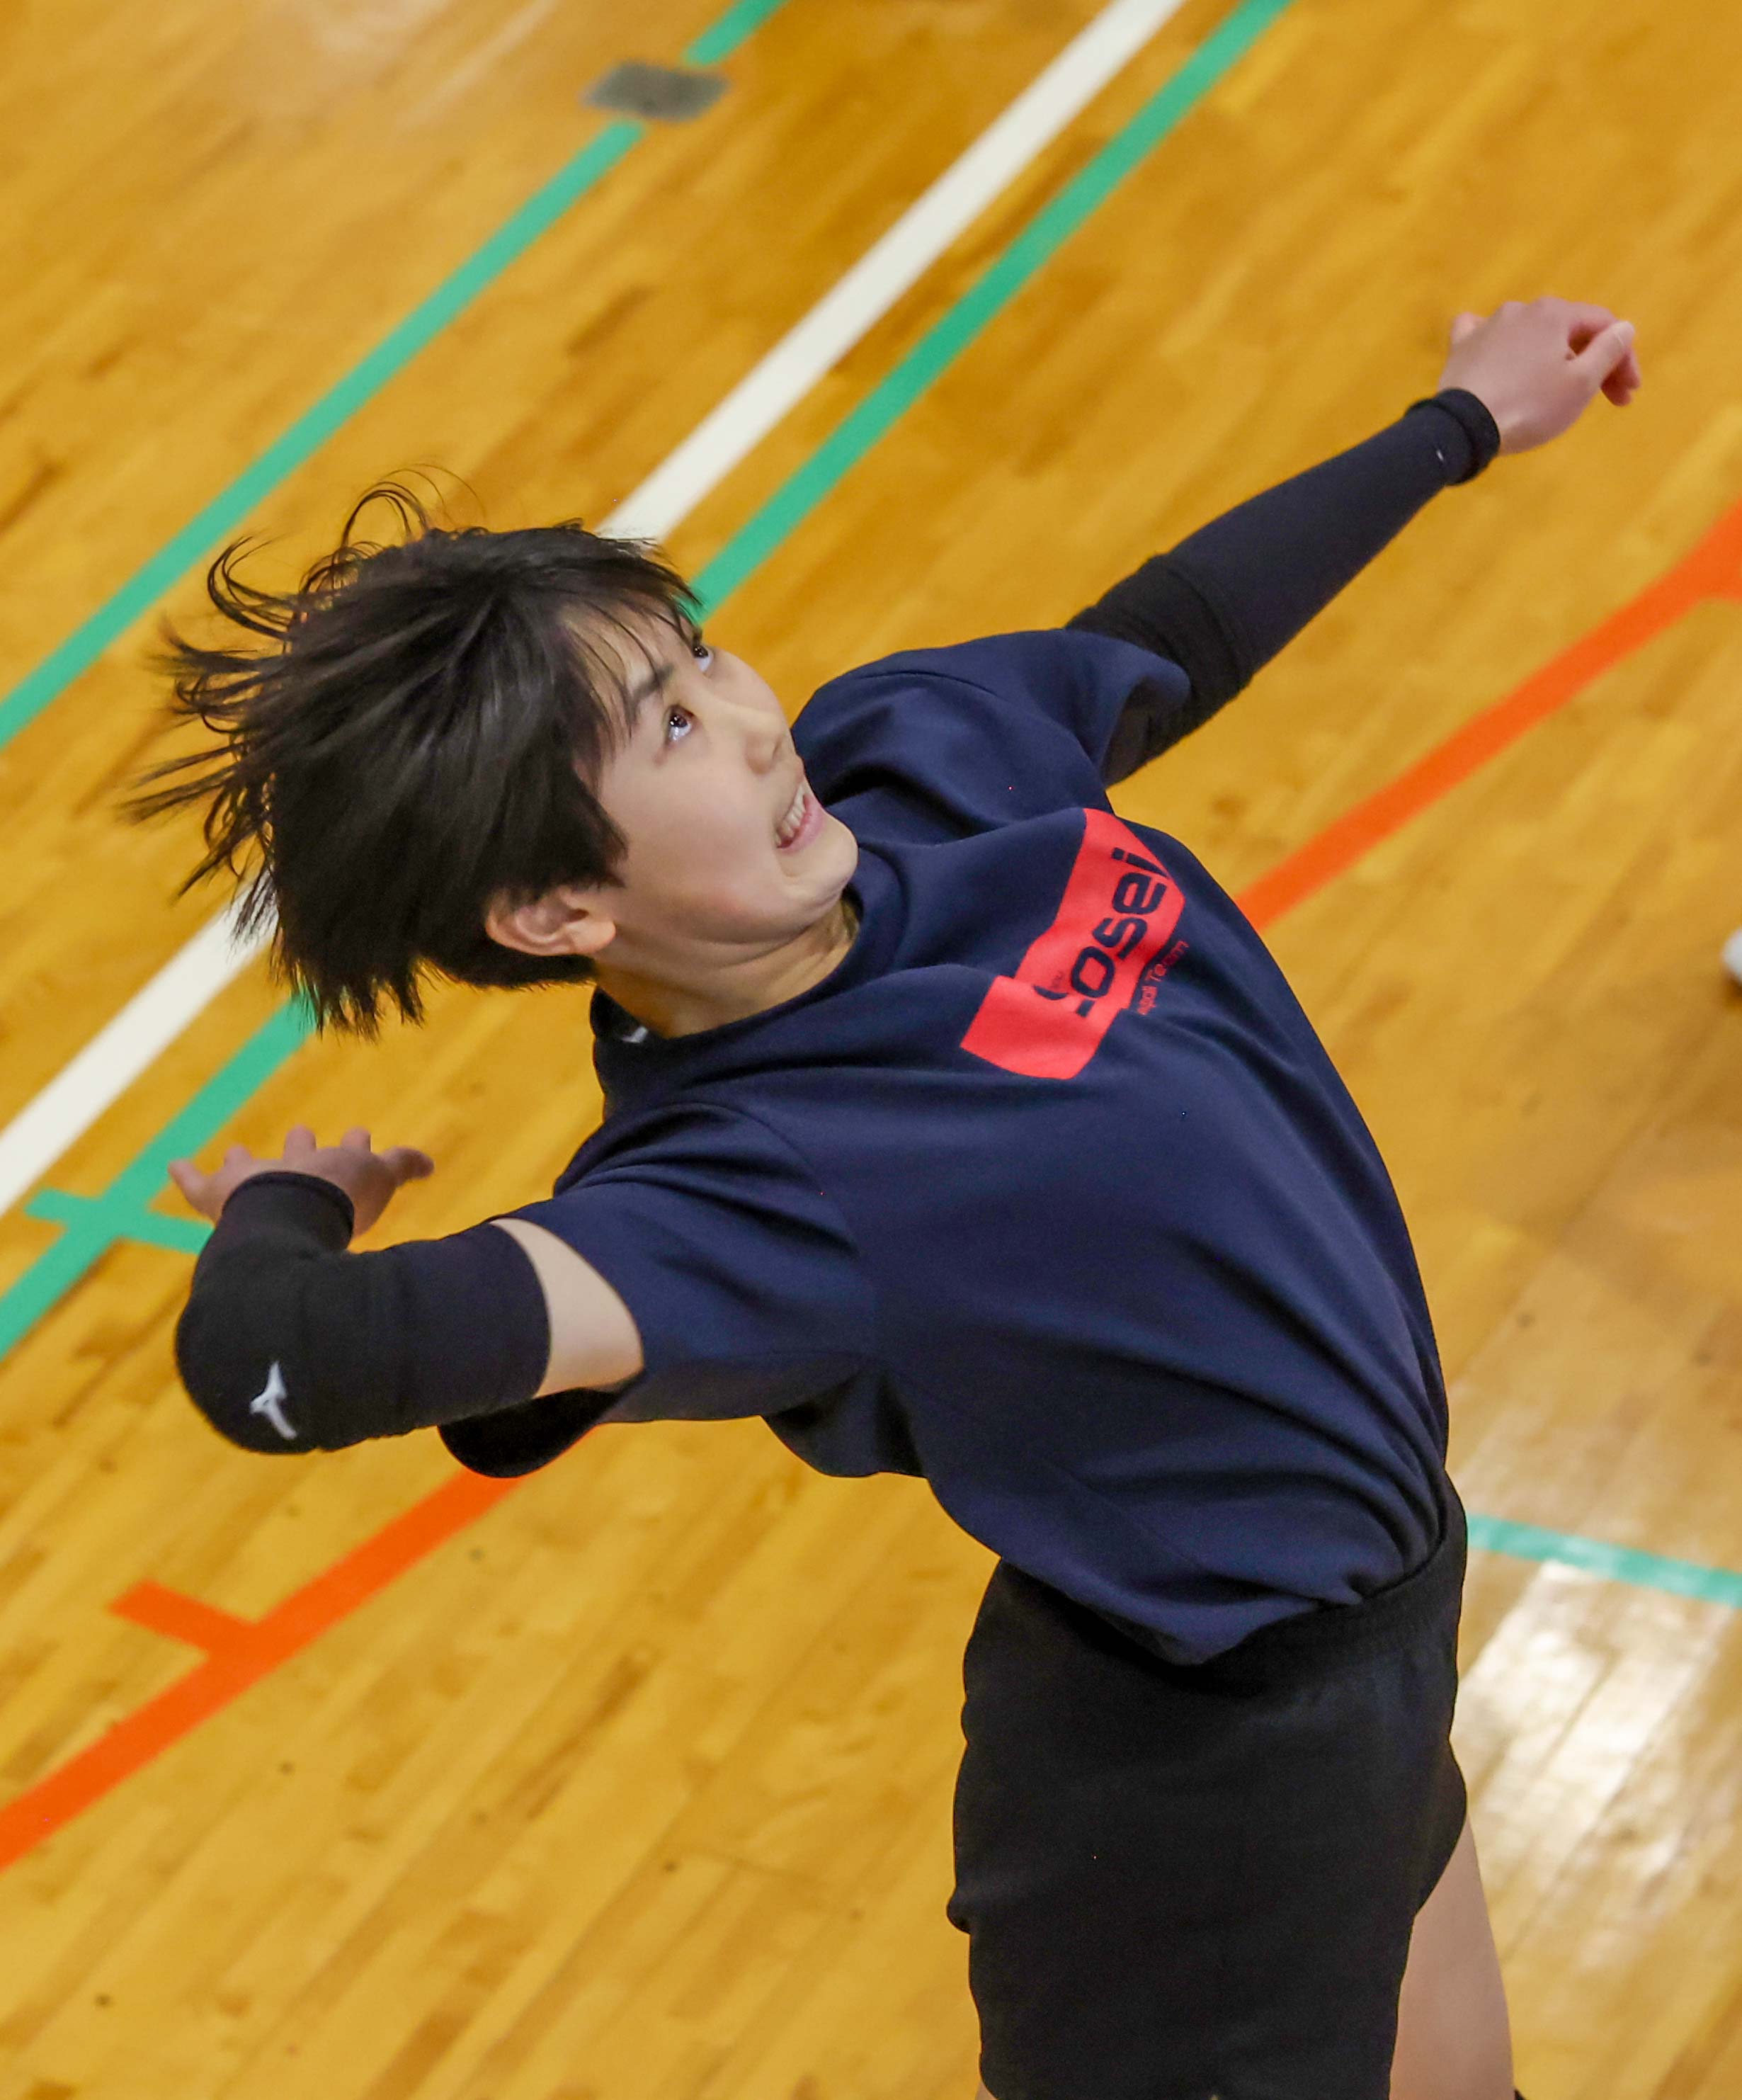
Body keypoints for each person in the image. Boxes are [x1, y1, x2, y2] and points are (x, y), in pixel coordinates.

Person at [140, 297, 1641, 2100]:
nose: (750, 725)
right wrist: (284, 1205)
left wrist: (1455, 424)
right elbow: (283, 1366)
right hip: (1201, 1790)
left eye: (704, 661)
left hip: (1375, 1631)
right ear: (553, 910)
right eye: (666, 732)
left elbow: (1168, 635)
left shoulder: (920, 754)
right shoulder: (742, 1188)